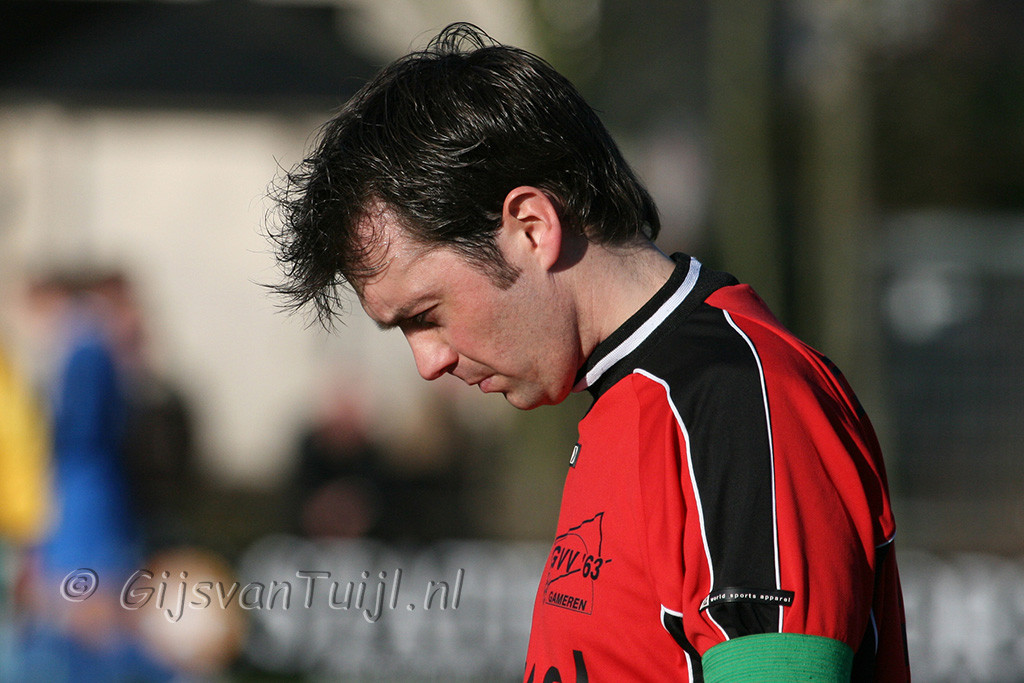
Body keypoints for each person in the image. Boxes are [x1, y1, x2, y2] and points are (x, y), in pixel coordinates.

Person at [267, 23, 910, 682]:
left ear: (531, 227)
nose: (428, 362)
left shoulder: (738, 399)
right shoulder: (631, 397)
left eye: (426, 315)